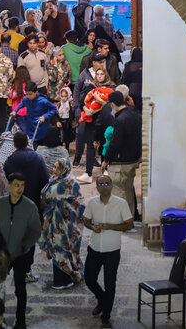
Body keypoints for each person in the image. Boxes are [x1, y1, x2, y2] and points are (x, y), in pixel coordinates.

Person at [83, 175, 133, 329]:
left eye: (107, 183)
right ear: (97, 187)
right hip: (95, 248)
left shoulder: (121, 204)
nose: (104, 186)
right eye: (101, 184)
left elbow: (129, 225)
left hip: (112, 250)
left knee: (110, 284)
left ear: (111, 186)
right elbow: (86, 220)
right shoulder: (92, 203)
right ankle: (102, 298)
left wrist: (110, 226)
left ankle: (106, 316)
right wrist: (92, 227)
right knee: (89, 278)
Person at [0, 172, 42, 329]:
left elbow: (35, 230)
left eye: (22, 185)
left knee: (20, 289)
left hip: (22, 254)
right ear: (9, 186)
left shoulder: (29, 206)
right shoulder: (0, 204)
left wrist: (24, 245)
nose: (20, 189)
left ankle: (20, 321)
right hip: (3, 254)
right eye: (16, 185)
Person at [39, 158, 85, 289]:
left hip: (65, 224)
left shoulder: (65, 183)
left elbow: (49, 195)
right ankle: (66, 277)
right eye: (54, 167)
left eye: (56, 168)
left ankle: (64, 280)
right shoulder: (60, 179)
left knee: (61, 249)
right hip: (59, 223)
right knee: (61, 248)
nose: (54, 170)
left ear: (63, 169)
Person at [100, 91, 142, 218]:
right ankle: (129, 218)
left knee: (119, 192)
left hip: (121, 162)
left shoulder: (121, 119)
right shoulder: (134, 113)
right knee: (128, 190)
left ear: (113, 104)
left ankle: (122, 220)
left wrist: (106, 159)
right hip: (133, 158)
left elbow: (116, 143)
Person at [75, 67, 115, 184]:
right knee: (90, 146)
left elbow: (113, 105)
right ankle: (88, 173)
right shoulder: (91, 86)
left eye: (102, 74)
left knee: (104, 145)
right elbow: (82, 100)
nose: (99, 76)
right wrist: (85, 109)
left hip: (104, 120)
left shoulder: (111, 87)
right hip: (91, 121)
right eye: (97, 74)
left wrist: (100, 100)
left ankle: (105, 170)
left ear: (106, 75)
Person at [121, 47, 143, 112]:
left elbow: (124, 79)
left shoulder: (129, 65)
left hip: (132, 92)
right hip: (143, 91)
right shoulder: (145, 65)